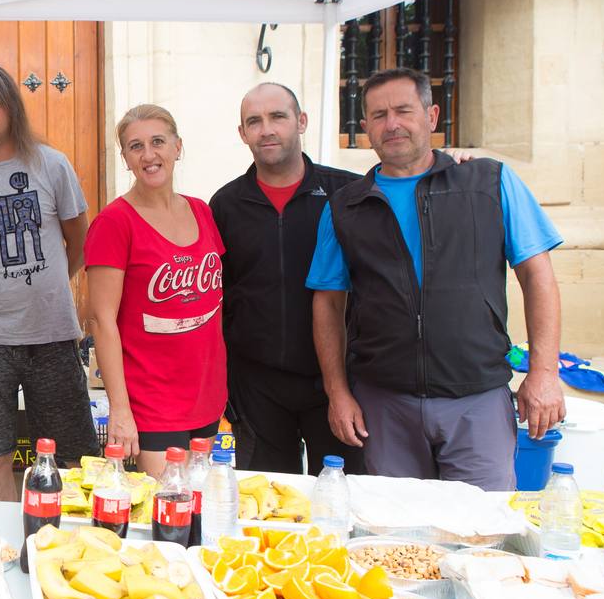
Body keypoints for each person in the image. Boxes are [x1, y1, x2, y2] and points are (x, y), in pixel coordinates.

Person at [308, 67, 565, 489]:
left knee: (482, 534)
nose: (392, 124)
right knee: (395, 538)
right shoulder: (345, 207)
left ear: (432, 116)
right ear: (365, 128)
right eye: (378, 115)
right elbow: (328, 303)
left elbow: (537, 277)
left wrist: (544, 373)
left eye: (403, 111)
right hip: (384, 403)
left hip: (476, 401)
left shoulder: (488, 182)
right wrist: (338, 392)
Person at [0, 62, 95, 501]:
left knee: (69, 458)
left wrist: (51, 283)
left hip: (53, 335)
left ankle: (62, 553)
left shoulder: (51, 164)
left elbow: (80, 241)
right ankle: (1, 550)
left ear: (11, 109)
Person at [211, 82, 363, 474]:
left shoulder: (347, 193)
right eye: (254, 122)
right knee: (270, 505)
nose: (267, 129)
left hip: (336, 383)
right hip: (257, 387)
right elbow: (217, 296)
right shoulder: (226, 205)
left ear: (301, 121)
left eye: (277, 116)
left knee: (338, 497)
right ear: (242, 134)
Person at [85, 104, 226, 477]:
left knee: (202, 512)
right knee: (169, 517)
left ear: (178, 146)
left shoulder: (201, 211)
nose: (148, 155)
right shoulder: (114, 222)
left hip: (207, 396)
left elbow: (213, 306)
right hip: (153, 400)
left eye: (158, 142)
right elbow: (101, 320)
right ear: (125, 159)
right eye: (135, 146)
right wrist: (119, 408)